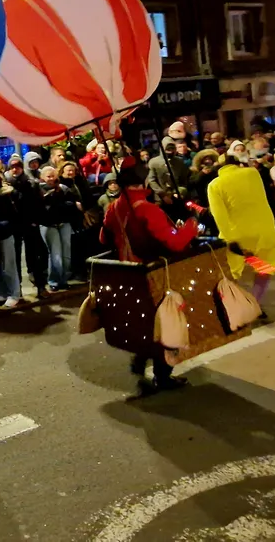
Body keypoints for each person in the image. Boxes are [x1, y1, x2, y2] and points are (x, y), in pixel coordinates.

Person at [100, 165, 200, 394]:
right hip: (154, 272)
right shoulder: (147, 209)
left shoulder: (114, 208)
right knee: (166, 322)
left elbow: (103, 238)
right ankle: (162, 376)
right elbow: (175, 243)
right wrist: (191, 227)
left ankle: (140, 358)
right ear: (143, 183)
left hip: (127, 272)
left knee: (144, 319)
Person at [207, 150, 275, 305]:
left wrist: (229, 239)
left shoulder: (215, 185)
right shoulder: (252, 173)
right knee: (264, 268)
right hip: (265, 229)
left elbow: (219, 216)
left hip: (238, 234)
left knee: (233, 273)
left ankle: (236, 306)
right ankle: (254, 302)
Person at [6, 153, 50, 299]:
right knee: (15, 259)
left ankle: (40, 285)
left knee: (36, 255)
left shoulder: (30, 183)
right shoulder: (6, 183)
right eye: (12, 167)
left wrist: (36, 220)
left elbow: (39, 203)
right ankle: (17, 290)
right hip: (14, 225)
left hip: (30, 224)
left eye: (18, 166)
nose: (15, 169)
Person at [39, 166, 80, 292]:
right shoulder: (39, 190)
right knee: (55, 255)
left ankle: (64, 280)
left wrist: (58, 204)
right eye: (48, 176)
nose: (51, 179)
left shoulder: (63, 189)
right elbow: (42, 209)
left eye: (53, 176)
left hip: (64, 224)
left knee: (66, 254)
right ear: (42, 177)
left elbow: (71, 204)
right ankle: (54, 281)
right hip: (49, 225)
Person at [0, 170, 21, 306]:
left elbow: (13, 214)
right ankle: (1, 293)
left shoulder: (6, 194)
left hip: (5, 233)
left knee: (9, 265)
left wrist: (5, 225)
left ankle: (14, 293)